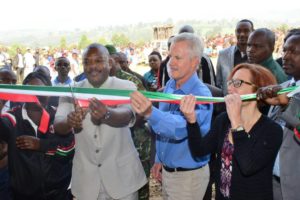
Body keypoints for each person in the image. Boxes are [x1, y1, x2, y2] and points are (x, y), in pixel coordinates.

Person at [54, 43, 147, 200]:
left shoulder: (126, 86)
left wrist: (107, 114)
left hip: (123, 180)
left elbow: (128, 114)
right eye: (87, 62)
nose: (92, 66)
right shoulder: (72, 90)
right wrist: (70, 121)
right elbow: (58, 125)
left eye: (98, 61)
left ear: (109, 63)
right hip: (86, 183)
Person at [130, 33, 213, 199]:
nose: (171, 63)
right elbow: (162, 130)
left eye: (178, 57)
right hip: (169, 172)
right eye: (169, 56)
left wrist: (150, 113)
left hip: (188, 178)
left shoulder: (201, 96)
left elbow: (180, 128)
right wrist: (160, 159)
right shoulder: (170, 85)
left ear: (195, 62)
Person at [182, 63, 282, 200]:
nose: (229, 88)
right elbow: (199, 151)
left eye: (237, 83)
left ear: (257, 89)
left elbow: (248, 166)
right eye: (230, 82)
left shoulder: (272, 130)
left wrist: (236, 122)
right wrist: (191, 121)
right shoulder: (223, 120)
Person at [0, 72, 75, 200]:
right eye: (31, 90)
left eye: (41, 89)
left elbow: (68, 150)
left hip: (59, 194)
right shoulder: (12, 118)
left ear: (49, 92)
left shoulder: (59, 117)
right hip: (22, 195)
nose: (36, 94)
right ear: (24, 93)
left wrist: (41, 145)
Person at [256, 30, 300, 200]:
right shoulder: (283, 87)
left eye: (294, 51)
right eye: (285, 50)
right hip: (274, 181)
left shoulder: (283, 95)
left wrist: (286, 104)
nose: (286, 56)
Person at [216, 19, 254, 94]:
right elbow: (218, 82)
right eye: (238, 31)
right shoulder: (223, 54)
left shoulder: (257, 55)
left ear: (253, 32)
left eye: (246, 31)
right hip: (228, 101)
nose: (242, 34)